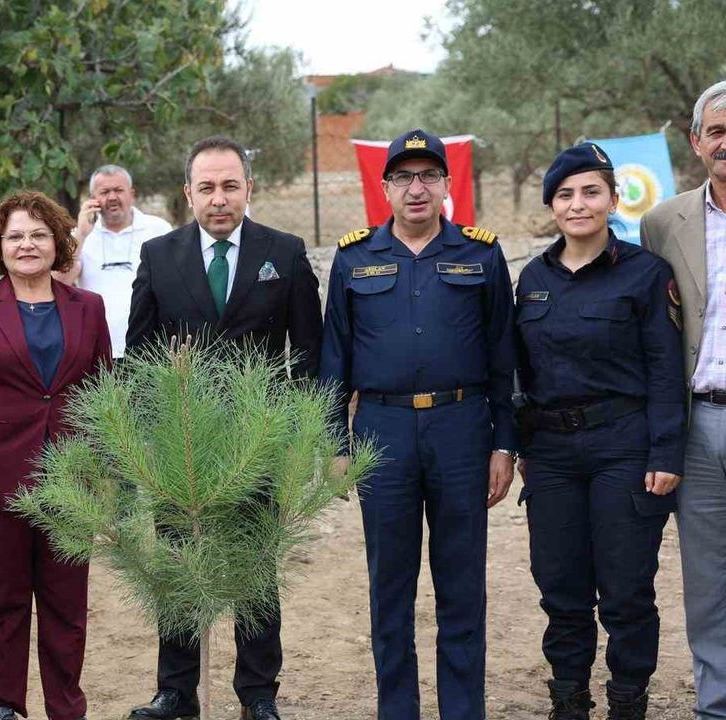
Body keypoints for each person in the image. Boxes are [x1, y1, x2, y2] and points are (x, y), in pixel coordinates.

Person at [318, 129, 517, 720]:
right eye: (403, 177)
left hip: (462, 430)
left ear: (447, 184)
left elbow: (505, 356)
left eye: (429, 175)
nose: (416, 188)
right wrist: (336, 443)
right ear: (385, 189)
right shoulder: (355, 258)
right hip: (381, 430)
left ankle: (462, 711)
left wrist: (505, 442)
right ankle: (396, 710)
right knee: (390, 587)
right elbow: (335, 358)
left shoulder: (481, 254)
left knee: (462, 586)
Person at [125, 136, 323, 720]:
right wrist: (150, 440)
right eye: (206, 187)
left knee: (257, 572)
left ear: (248, 189)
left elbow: (307, 352)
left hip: (257, 443)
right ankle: (175, 691)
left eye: (230, 185)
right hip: (182, 446)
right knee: (179, 568)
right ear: (188, 193)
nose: (219, 199)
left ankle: (258, 694)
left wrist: (299, 438)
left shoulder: (283, 253)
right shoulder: (160, 256)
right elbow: (140, 355)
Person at [515, 143, 685, 719]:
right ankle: (569, 700)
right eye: (565, 194)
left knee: (626, 590)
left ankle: (627, 702)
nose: (578, 204)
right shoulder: (532, 278)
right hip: (552, 453)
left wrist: (666, 451)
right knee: (560, 589)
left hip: (624, 447)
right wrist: (516, 445)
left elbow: (666, 371)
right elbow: (519, 372)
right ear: (551, 207)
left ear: (614, 200)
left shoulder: (645, 274)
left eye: (591, 192)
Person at [0, 190, 111, 720]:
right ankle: (5, 705)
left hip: (71, 480)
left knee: (66, 607)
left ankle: (65, 706)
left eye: (38, 235)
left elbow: (104, 395)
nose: (27, 244)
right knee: (5, 603)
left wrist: (104, 478)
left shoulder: (89, 307)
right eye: (15, 236)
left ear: (59, 243)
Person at [640, 79, 726, 720]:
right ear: (696, 142)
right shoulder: (662, 222)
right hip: (699, 426)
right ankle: (716, 704)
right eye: (717, 131)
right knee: (708, 581)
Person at [59, 164, 172, 358]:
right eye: (104, 192)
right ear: (93, 199)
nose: (112, 197)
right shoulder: (77, 237)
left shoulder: (158, 229)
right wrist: (81, 235)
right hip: (95, 349)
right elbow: (59, 284)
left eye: (118, 190)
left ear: (132, 194)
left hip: (150, 349)